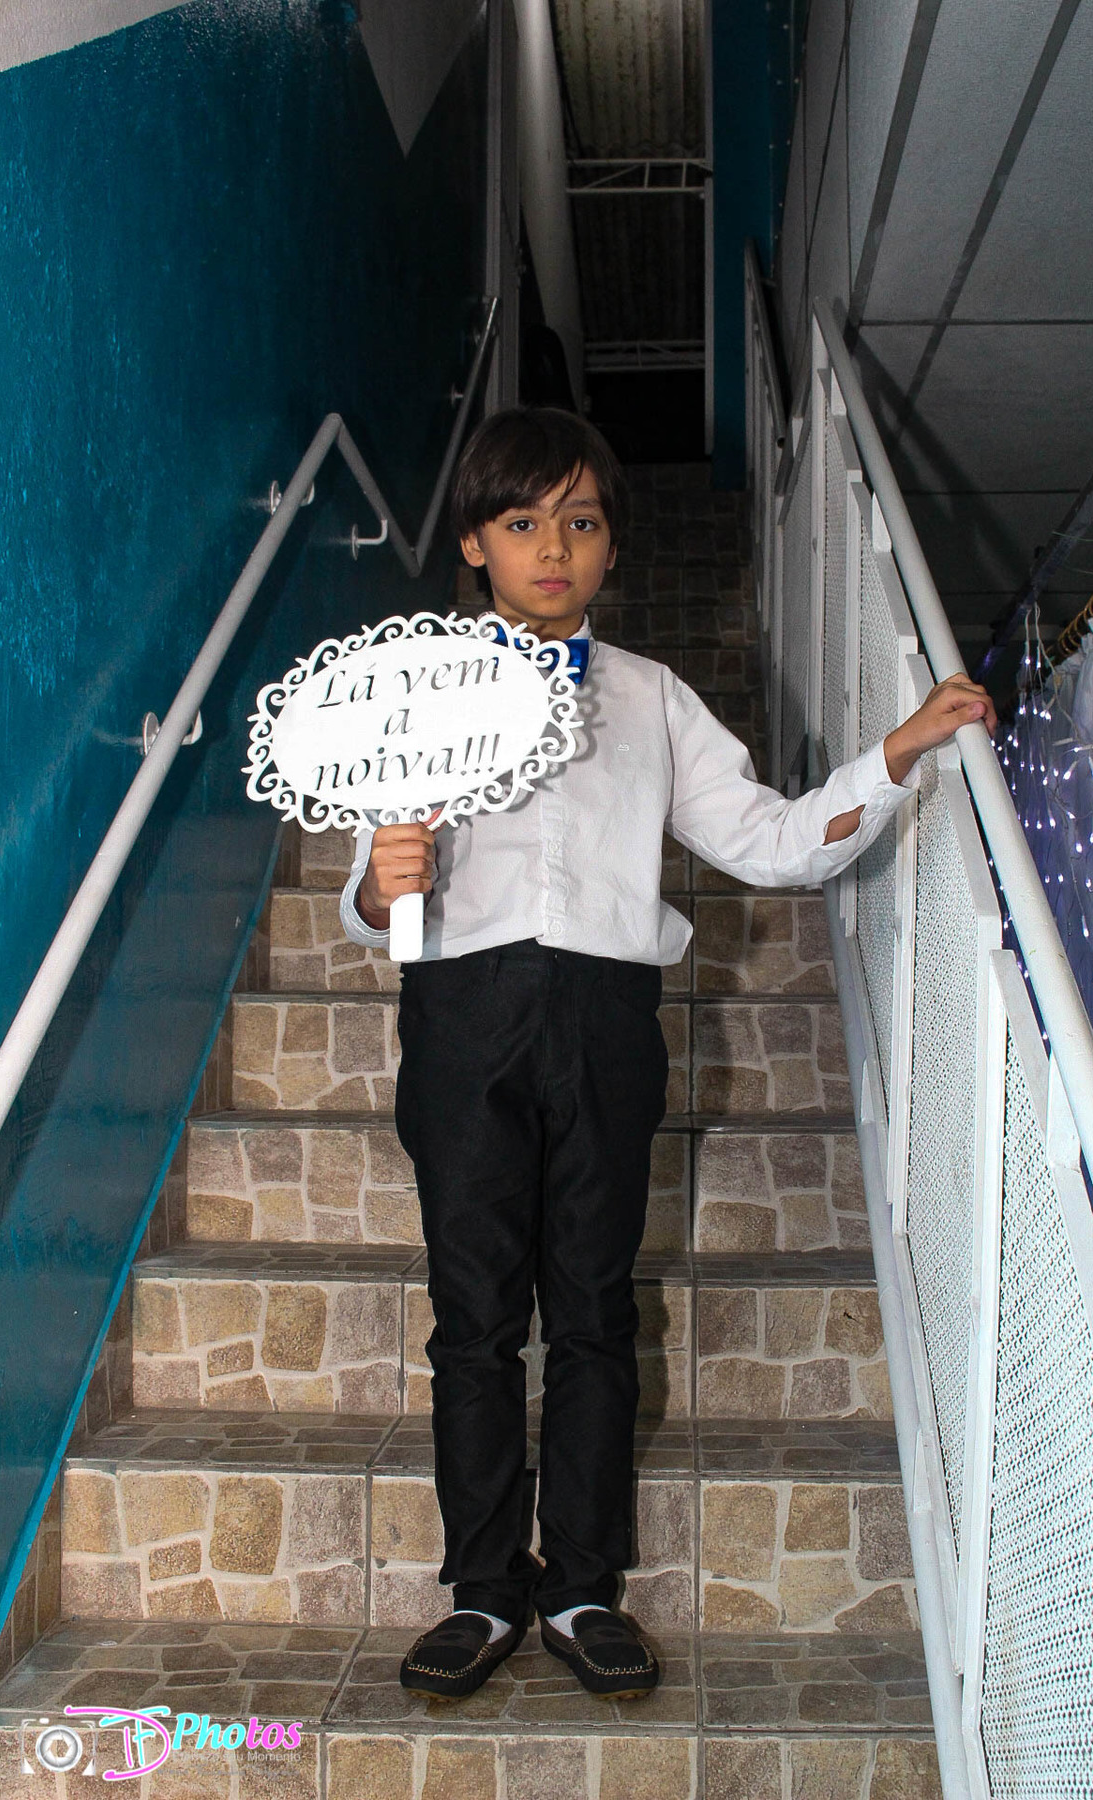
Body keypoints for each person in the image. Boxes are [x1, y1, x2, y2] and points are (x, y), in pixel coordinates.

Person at [339, 407, 996, 1702]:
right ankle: (482, 1593)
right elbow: (374, 906)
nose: (553, 548)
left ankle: (584, 1588)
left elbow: (773, 841)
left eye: (580, 522)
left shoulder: (650, 698)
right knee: (476, 1320)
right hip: (461, 1017)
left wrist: (897, 753)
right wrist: (379, 884)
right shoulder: (409, 693)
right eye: (522, 521)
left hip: (605, 1021)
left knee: (593, 1312)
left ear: (609, 546)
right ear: (473, 542)